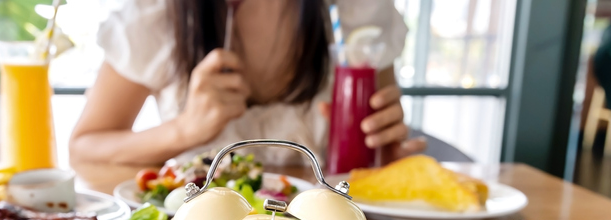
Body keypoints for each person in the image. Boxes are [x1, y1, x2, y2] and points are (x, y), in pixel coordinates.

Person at [69, 0, 426, 167]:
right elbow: (85, 145)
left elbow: (373, 154)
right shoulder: (156, 18)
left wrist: (386, 155)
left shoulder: (355, 14)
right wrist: (185, 130)